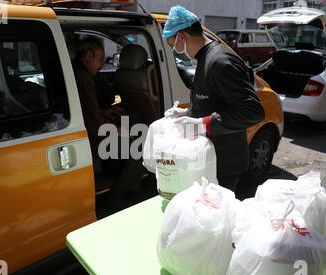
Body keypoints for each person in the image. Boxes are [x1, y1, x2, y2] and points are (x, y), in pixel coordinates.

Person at [163, 6, 265, 192]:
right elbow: (214, 101)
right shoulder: (204, 59)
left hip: (224, 165)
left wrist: (201, 124)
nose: (174, 50)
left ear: (181, 37)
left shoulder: (220, 61)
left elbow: (252, 111)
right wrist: (187, 113)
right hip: (209, 159)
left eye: (172, 45)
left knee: (217, 217)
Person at [72, 37, 144, 207]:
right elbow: (95, 125)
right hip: (90, 136)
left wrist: (103, 112)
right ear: (89, 56)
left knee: (129, 119)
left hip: (88, 126)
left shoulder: (80, 71)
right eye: (100, 59)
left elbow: (88, 110)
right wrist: (120, 131)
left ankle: (113, 169)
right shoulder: (83, 78)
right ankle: (117, 196)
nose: (103, 64)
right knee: (139, 148)